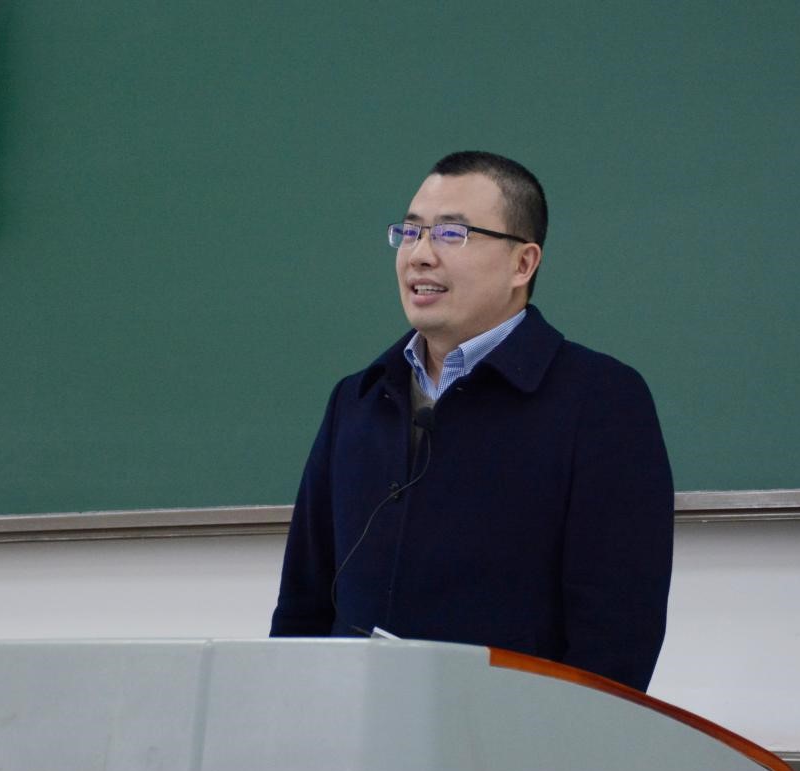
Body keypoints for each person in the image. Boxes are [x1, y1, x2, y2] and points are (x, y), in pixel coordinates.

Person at [270, 151, 673, 692]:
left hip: (508, 736)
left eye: (451, 234)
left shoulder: (600, 401)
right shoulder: (357, 400)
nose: (420, 255)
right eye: (410, 232)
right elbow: (302, 603)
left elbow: (617, 635)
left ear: (523, 264)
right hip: (352, 731)